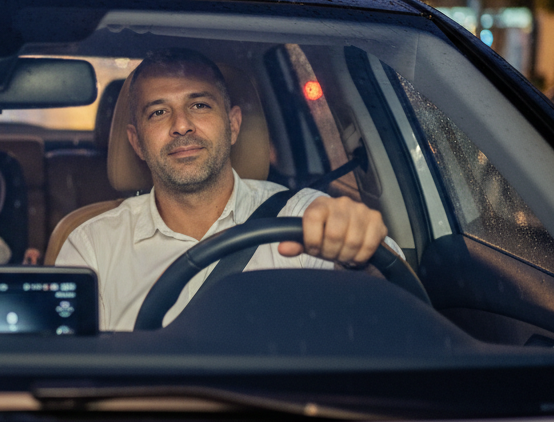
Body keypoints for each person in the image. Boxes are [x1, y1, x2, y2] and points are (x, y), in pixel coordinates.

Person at [56, 48, 397, 331]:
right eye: (159, 112)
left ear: (233, 125)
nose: (181, 125)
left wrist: (360, 256)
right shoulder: (92, 246)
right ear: (137, 143)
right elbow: (68, 374)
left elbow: (400, 319)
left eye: (199, 105)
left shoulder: (303, 218)